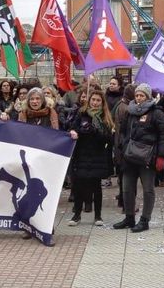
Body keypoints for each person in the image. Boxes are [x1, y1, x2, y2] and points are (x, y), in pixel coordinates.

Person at [113, 83, 164, 233]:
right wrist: (123, 147)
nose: (138, 98)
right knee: (127, 188)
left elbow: (163, 136)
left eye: (142, 95)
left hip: (147, 157)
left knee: (148, 189)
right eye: (137, 95)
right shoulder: (129, 111)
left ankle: (145, 220)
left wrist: (161, 156)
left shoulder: (156, 113)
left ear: (148, 96)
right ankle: (129, 217)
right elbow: (123, 131)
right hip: (130, 156)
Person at [66, 89, 115, 226]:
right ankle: (77, 215)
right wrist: (76, 132)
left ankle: (98, 216)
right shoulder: (81, 114)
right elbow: (71, 129)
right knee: (79, 186)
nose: (95, 102)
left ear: (102, 103)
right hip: (81, 155)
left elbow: (109, 139)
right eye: (93, 99)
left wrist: (95, 131)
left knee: (96, 187)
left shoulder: (105, 118)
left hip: (97, 156)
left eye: (98, 100)